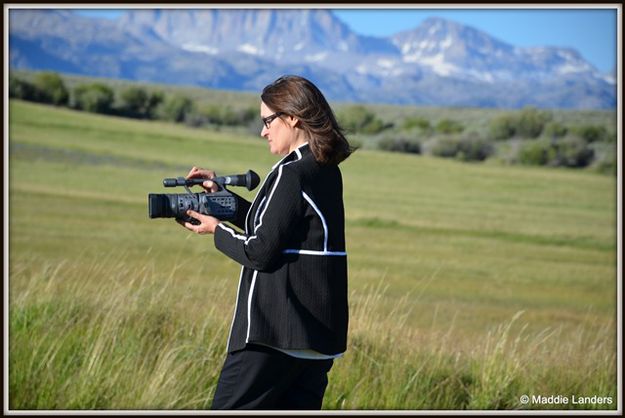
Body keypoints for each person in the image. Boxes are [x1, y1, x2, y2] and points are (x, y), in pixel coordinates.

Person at [178, 75, 354, 410]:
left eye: (267, 121)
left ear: (292, 117)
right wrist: (222, 198)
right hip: (316, 342)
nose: (263, 131)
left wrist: (214, 229)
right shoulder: (324, 169)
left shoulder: (292, 172)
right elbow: (276, 229)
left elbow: (259, 250)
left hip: (274, 335)